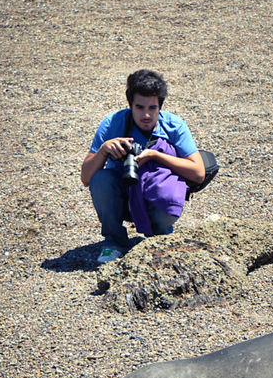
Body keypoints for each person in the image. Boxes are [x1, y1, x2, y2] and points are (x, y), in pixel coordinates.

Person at [81, 69, 205, 264]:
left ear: (160, 107)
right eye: (139, 107)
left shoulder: (174, 126)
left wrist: (156, 156)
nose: (146, 115)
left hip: (157, 193)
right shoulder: (113, 124)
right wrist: (104, 150)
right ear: (130, 104)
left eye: (152, 108)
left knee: (168, 193)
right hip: (121, 194)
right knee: (101, 180)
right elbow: (86, 178)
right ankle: (114, 242)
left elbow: (198, 173)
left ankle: (161, 235)